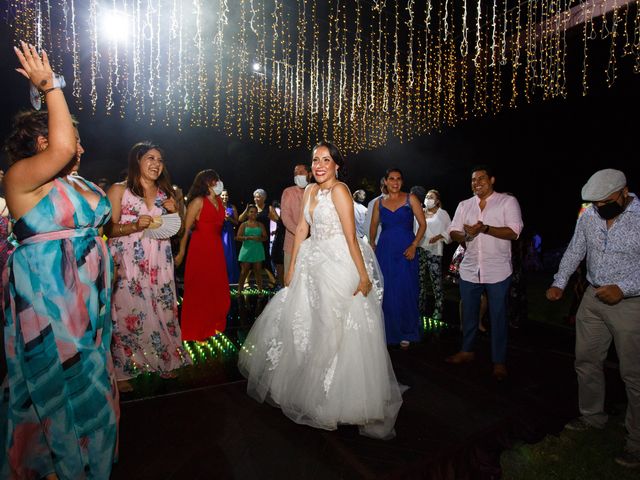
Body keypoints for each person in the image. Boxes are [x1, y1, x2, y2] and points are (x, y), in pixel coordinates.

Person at [0, 42, 118, 479]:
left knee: (90, 379)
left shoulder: (81, 180)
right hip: (49, 297)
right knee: (56, 384)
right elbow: (65, 148)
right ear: (42, 141)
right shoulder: (21, 180)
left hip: (90, 300)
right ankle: (56, 467)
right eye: (63, 132)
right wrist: (49, 87)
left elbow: (99, 229)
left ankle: (89, 465)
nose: (75, 141)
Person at [238, 141, 402, 439]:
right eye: (315, 160)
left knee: (332, 327)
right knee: (307, 324)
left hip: (339, 262)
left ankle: (335, 399)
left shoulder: (341, 191)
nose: (319, 165)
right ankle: (307, 390)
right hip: (312, 263)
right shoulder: (310, 191)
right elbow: (301, 228)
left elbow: (352, 237)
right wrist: (291, 267)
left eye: (326, 159)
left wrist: (363, 277)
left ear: (337, 165)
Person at [546, 168, 640, 469]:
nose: (599, 207)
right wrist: (559, 282)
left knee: (634, 374)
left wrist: (624, 288)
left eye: (605, 201)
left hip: (631, 304)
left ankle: (636, 441)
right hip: (593, 297)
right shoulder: (589, 214)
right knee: (586, 361)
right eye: (595, 202)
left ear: (624, 192)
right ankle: (592, 417)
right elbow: (577, 248)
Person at [106, 142, 190, 390]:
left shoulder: (167, 194)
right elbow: (107, 228)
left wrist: (177, 213)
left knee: (162, 309)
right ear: (137, 160)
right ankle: (124, 369)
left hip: (159, 262)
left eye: (160, 160)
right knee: (127, 311)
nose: (156, 164)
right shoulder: (119, 190)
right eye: (151, 158)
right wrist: (133, 226)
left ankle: (165, 360)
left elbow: (179, 230)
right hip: (128, 261)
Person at [446, 165, 523, 381]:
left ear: (492, 180)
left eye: (481, 178)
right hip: (470, 268)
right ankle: (467, 351)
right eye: (473, 180)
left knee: (498, 316)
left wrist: (485, 228)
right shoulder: (464, 205)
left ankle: (499, 362)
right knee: (469, 314)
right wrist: (464, 235)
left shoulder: (507, 202)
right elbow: (453, 231)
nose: (477, 183)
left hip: (498, 269)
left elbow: (514, 232)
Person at [369, 168, 426, 348]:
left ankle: (407, 331)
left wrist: (414, 245)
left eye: (399, 179)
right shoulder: (379, 202)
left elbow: (423, 225)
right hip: (385, 250)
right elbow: (373, 225)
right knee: (386, 291)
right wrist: (372, 244)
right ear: (385, 181)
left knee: (406, 289)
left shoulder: (411, 199)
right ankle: (388, 331)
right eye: (391, 179)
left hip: (406, 249)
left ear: (402, 181)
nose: (395, 182)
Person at [175, 169, 231, 341]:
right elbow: (185, 230)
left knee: (215, 286)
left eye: (219, 179)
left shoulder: (220, 203)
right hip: (200, 248)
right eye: (215, 180)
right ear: (207, 182)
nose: (218, 183)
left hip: (216, 248)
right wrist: (182, 251)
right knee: (200, 287)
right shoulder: (198, 201)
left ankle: (212, 323)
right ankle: (197, 328)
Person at [417, 189, 451, 320]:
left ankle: (438, 309)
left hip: (434, 251)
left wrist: (439, 236)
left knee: (435, 281)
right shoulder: (420, 212)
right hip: (420, 250)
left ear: (437, 201)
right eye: (426, 196)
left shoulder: (442, 214)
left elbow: (450, 229)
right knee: (420, 282)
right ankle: (420, 307)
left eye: (431, 197)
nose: (428, 198)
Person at [239, 188, 279, 288]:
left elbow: (278, 220)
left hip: (263, 238)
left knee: (265, 259)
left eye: (258, 196)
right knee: (248, 260)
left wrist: (273, 219)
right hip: (250, 238)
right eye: (255, 196)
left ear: (264, 198)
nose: (256, 198)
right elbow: (240, 219)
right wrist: (246, 209)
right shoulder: (251, 208)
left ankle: (273, 280)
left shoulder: (268, 208)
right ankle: (246, 281)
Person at [280, 163, 312, 278]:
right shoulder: (288, 192)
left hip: (312, 245)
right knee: (291, 279)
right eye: (295, 173)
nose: (298, 175)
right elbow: (285, 218)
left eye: (301, 173)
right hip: (291, 244)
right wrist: (302, 234)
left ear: (310, 174)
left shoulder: (314, 191)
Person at [236, 204, 268, 293]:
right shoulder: (243, 224)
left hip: (258, 249)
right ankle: (239, 290)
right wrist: (247, 238)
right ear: (247, 214)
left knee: (258, 272)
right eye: (251, 212)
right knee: (244, 272)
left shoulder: (260, 224)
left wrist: (259, 239)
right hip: (246, 250)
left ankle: (260, 291)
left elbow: (265, 237)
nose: (254, 214)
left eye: (255, 212)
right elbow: (238, 237)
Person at [220, 189, 240, 284]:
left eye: (226, 195)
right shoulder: (216, 207)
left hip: (228, 233)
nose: (225, 197)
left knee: (229, 255)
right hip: (218, 233)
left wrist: (229, 219)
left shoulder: (232, 207)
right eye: (223, 195)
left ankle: (231, 279)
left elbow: (236, 222)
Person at [364, 176, 386, 244]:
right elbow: (368, 226)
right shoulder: (373, 203)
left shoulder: (402, 203)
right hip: (380, 244)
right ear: (381, 187)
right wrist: (373, 243)